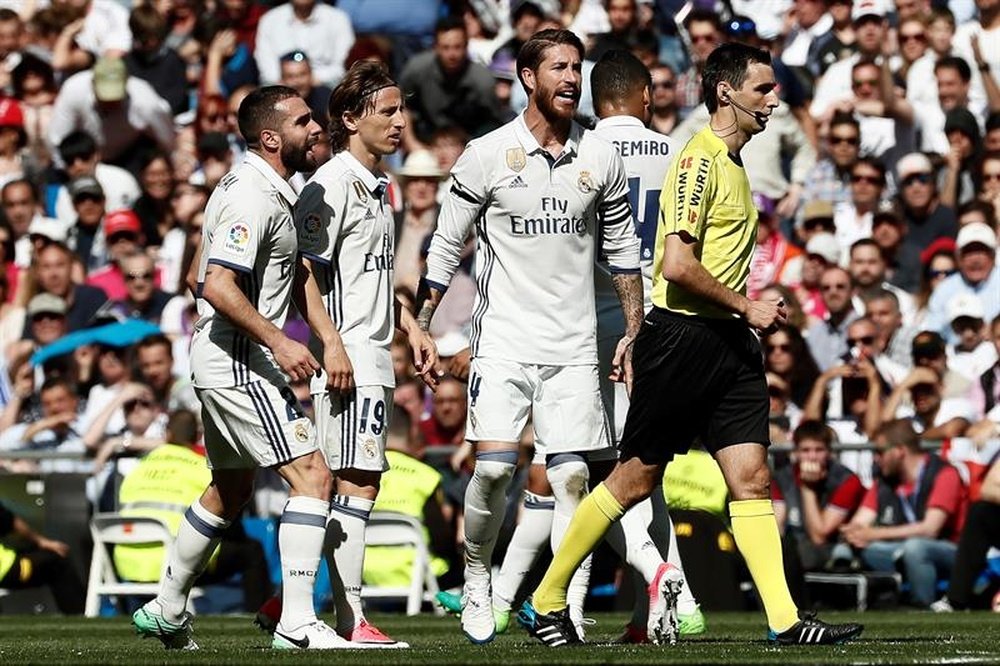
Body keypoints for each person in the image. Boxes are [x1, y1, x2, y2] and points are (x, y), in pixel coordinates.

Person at [519, 42, 863, 647]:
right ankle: (547, 599)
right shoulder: (699, 161)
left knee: (752, 478)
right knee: (632, 480)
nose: (773, 99)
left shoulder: (733, 164)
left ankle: (784, 621)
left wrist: (745, 315)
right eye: (762, 89)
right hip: (682, 337)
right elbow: (675, 264)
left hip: (729, 343)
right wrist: (747, 305)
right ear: (725, 92)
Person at [415, 29, 642, 645]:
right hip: (504, 342)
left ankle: (561, 606)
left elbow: (623, 252)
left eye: (578, 67)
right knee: (491, 472)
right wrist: (423, 322)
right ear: (527, 78)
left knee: (571, 479)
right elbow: (444, 245)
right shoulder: (487, 154)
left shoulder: (600, 155)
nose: (572, 78)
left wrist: (634, 329)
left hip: (575, 344)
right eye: (560, 68)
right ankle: (478, 574)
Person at [130, 87, 342, 651]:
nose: (314, 128)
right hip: (239, 359)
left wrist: (321, 337)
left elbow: (200, 270)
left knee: (230, 485)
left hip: (222, 355)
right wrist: (281, 340)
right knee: (313, 475)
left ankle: (168, 608)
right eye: (303, 122)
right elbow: (214, 282)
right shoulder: (253, 194)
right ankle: (297, 622)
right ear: (271, 137)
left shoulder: (260, 187)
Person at [253, 61, 439, 648]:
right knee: (354, 483)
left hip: (374, 348)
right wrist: (331, 344)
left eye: (399, 109)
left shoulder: (376, 184)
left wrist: (413, 326)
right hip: (350, 353)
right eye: (386, 111)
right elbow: (304, 269)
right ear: (351, 119)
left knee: (348, 481)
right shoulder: (330, 184)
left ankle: (288, 601)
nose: (399, 121)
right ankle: (349, 617)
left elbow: (373, 278)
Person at [116, 409, 271, 613]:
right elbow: (229, 517)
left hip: (128, 563)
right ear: (197, 436)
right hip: (178, 563)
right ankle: (259, 616)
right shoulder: (203, 469)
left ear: (167, 434)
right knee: (252, 550)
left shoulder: (138, 468)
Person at [841, 419, 969, 608]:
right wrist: (853, 533)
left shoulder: (944, 473)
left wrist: (873, 534)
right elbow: (860, 522)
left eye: (880, 452)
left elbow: (930, 530)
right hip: (898, 548)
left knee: (916, 549)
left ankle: (923, 607)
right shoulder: (884, 482)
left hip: (950, 552)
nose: (876, 458)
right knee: (842, 550)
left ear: (899, 451)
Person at [773, 420, 866, 608]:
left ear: (829, 452)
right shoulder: (781, 478)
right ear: (796, 452)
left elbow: (820, 535)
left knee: (802, 552)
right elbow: (777, 526)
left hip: (834, 548)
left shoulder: (847, 480)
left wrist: (808, 489)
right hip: (796, 545)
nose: (812, 457)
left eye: (819, 450)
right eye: (806, 450)